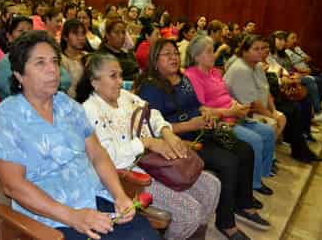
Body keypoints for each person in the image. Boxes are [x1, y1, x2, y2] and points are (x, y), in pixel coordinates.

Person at [0, 30, 161, 240]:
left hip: (96, 200)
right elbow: (13, 186)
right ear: (19, 75)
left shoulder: (67, 105)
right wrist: (73, 217)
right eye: (40, 63)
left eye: (54, 61)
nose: (52, 70)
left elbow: (97, 155)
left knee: (145, 235)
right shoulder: (4, 118)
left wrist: (120, 195)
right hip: (50, 219)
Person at [136, 38, 270, 240]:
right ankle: (226, 223)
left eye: (175, 53)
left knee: (245, 150)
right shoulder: (150, 87)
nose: (174, 57)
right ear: (155, 60)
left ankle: (244, 204)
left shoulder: (181, 78)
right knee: (228, 162)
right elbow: (153, 129)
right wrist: (192, 124)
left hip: (202, 130)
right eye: (167, 54)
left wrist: (206, 112)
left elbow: (198, 105)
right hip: (180, 141)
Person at [77, 52, 221, 240]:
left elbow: (152, 113)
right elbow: (108, 157)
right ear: (95, 82)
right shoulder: (89, 110)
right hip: (129, 177)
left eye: (120, 75)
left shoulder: (124, 97)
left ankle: (195, 236)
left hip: (155, 163)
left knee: (212, 186)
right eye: (113, 76)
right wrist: (147, 143)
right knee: (189, 212)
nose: (120, 81)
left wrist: (166, 133)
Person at [184, 35, 276, 194]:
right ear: (197, 56)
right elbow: (201, 109)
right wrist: (230, 111)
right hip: (220, 121)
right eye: (210, 52)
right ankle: (253, 184)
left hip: (234, 114)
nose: (214, 55)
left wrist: (236, 105)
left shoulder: (215, 72)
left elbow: (225, 96)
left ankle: (260, 173)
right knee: (254, 140)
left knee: (268, 132)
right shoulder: (192, 76)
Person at [260, 38, 322, 163]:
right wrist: (279, 79)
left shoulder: (268, 60)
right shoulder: (257, 65)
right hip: (266, 100)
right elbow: (267, 85)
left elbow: (282, 71)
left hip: (275, 95)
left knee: (302, 102)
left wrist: (283, 77)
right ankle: (299, 148)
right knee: (293, 109)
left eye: (266, 48)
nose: (266, 51)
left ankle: (301, 143)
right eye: (262, 49)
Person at [268, 31, 322, 123]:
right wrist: (293, 75)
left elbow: (292, 67)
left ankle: (315, 113)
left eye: (284, 40)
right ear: (272, 39)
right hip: (284, 79)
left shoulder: (284, 54)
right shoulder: (269, 54)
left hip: (292, 75)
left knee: (320, 80)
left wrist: (298, 73)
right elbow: (277, 71)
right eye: (279, 39)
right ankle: (317, 113)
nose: (282, 42)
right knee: (311, 81)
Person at [0, 16, 70, 100]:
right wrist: (49, 83)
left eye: (29, 30)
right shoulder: (6, 63)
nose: (26, 33)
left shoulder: (44, 55)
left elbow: (66, 79)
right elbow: (16, 92)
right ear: (9, 36)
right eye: (21, 31)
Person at [60, 19, 87, 99]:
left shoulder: (87, 56)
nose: (80, 38)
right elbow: (68, 92)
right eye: (75, 33)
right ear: (65, 37)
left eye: (83, 33)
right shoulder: (61, 60)